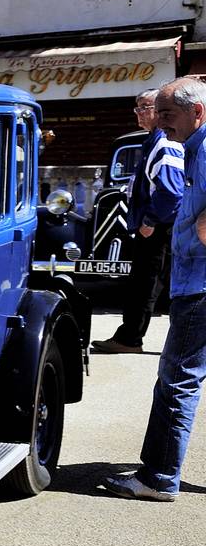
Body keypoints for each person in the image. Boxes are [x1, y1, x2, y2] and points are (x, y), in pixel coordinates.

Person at [104, 76, 206, 501]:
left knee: (176, 380)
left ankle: (159, 478)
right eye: (156, 113)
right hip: (193, 281)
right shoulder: (191, 148)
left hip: (200, 286)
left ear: (196, 112)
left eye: (167, 113)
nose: (160, 122)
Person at [93, 89, 184, 354]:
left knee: (145, 284)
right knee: (148, 283)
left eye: (144, 107)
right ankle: (130, 337)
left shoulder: (164, 143)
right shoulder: (155, 140)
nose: (139, 113)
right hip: (160, 224)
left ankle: (130, 339)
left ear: (160, 110)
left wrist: (151, 220)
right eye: (137, 107)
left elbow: (171, 191)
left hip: (161, 226)